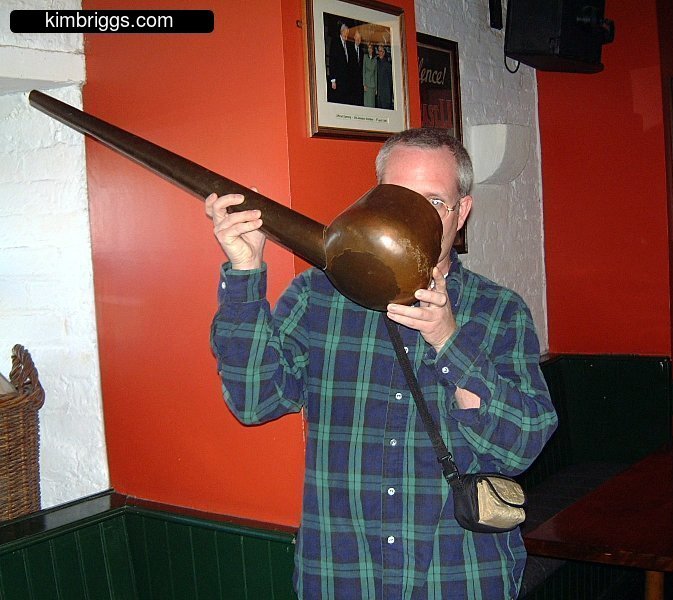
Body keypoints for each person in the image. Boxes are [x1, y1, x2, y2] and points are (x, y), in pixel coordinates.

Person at [206, 128, 557, 599]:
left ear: (463, 212)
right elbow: (254, 401)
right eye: (398, 198)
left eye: (434, 202)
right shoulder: (318, 296)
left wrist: (448, 340)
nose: (412, 218)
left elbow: (522, 447)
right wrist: (245, 274)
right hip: (343, 574)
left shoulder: (499, 310)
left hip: (458, 577)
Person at [376, 44, 393, 109]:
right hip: (379, 95)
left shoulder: (388, 65)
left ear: (384, 52)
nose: (380, 53)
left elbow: (390, 81)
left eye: (381, 51)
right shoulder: (376, 63)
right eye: (379, 51)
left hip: (386, 95)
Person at [362, 41, 378, 107]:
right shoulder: (365, 57)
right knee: (366, 103)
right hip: (367, 84)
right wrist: (364, 84)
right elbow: (364, 71)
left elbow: (375, 74)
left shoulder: (375, 59)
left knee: (372, 104)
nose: (369, 49)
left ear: (373, 49)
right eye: (368, 48)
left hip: (373, 85)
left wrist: (376, 88)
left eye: (371, 48)